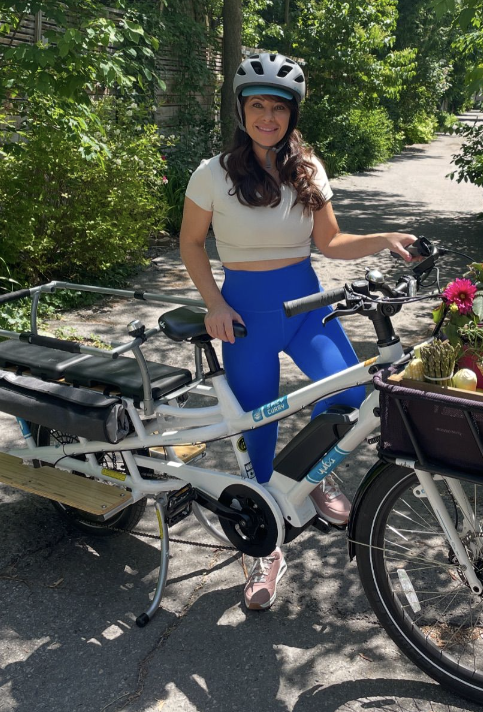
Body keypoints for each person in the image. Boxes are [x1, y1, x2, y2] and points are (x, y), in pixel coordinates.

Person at [180, 52, 418, 610]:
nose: (268, 116)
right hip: (243, 313)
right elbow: (191, 244)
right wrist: (212, 303)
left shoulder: (307, 168)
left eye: (278, 107)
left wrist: (384, 238)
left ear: (292, 114)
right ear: (242, 112)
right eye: (257, 106)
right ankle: (264, 548)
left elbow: (331, 244)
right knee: (257, 422)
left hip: (309, 305)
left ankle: (312, 476)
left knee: (351, 393)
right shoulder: (212, 174)